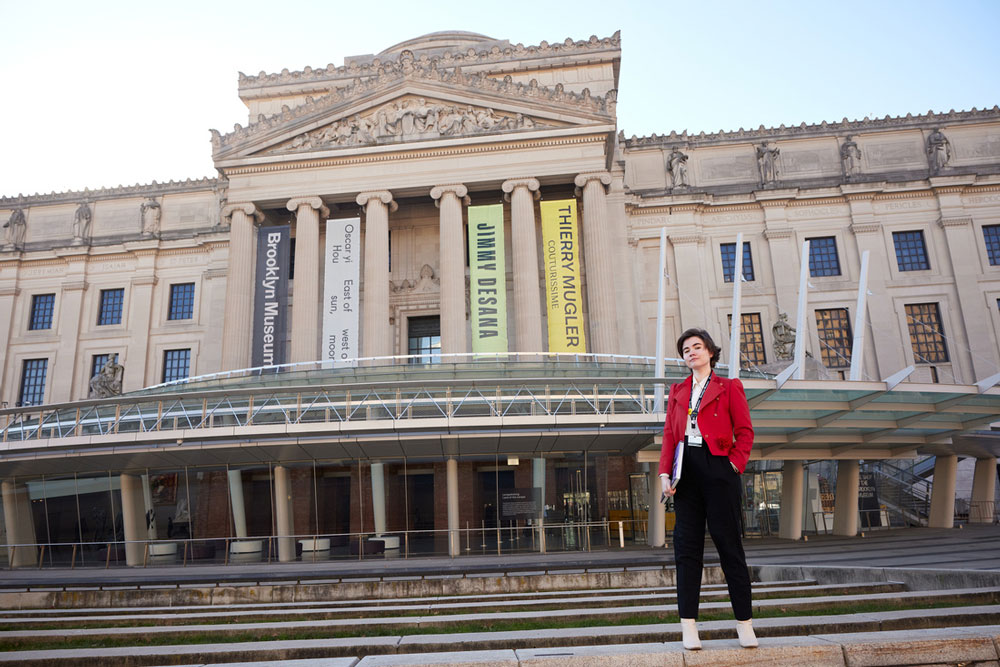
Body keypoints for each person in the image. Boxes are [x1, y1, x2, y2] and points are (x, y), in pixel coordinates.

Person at [659, 328, 756, 650]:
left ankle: (744, 624)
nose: (691, 352)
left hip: (719, 468)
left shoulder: (729, 387)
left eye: (697, 347)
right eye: (685, 349)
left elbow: (745, 431)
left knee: (730, 548)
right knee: (686, 550)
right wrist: (664, 474)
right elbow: (670, 437)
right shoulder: (678, 391)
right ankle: (689, 626)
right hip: (685, 472)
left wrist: (733, 466)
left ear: (711, 352)